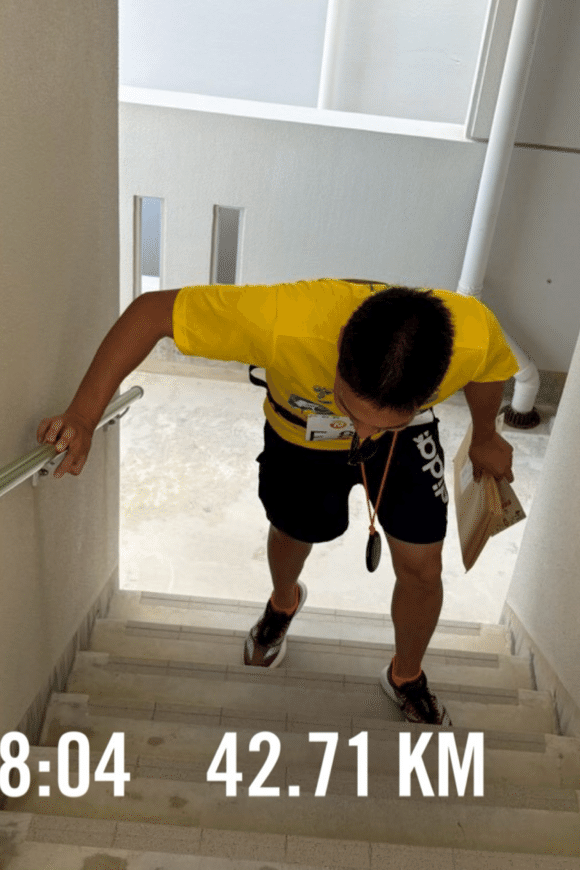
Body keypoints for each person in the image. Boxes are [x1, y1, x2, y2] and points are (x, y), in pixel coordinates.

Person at [37, 278, 519, 726]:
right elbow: (152, 312)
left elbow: (490, 368)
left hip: (407, 444)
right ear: (338, 349)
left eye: (382, 422)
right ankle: (283, 603)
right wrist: (83, 413)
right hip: (301, 435)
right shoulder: (282, 320)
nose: (363, 433)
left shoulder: (472, 332)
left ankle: (406, 676)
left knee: (424, 570)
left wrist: (485, 434)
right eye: (352, 408)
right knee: (292, 532)